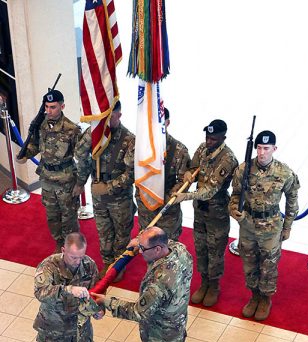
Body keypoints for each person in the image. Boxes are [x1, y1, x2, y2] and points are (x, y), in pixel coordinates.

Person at [229, 130, 300, 320]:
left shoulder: (284, 172)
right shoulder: (243, 169)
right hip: (248, 224)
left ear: (274, 149)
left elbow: (292, 199)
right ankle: (254, 296)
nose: (261, 153)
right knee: (249, 262)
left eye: (266, 148)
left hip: (271, 227)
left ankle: (266, 298)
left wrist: (288, 226)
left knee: (269, 264)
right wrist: (234, 209)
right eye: (259, 148)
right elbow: (235, 195)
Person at [173, 119, 238, 306]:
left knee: (215, 250)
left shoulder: (227, 158)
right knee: (200, 247)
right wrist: (188, 174)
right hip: (200, 211)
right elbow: (193, 168)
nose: (209, 141)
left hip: (216, 212)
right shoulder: (202, 149)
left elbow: (210, 190)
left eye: (213, 139)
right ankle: (204, 282)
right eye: (207, 137)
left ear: (222, 138)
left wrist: (185, 196)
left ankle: (214, 285)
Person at [73, 101, 135, 280]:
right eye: (103, 118)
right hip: (99, 196)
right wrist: (81, 182)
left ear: (119, 115)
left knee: (121, 232)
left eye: (110, 117)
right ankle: (108, 261)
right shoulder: (95, 135)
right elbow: (81, 156)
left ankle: (118, 265)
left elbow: (132, 174)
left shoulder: (129, 140)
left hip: (119, 198)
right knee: (104, 231)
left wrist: (109, 187)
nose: (106, 122)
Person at [17, 90, 81, 252]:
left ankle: (72, 245)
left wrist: (80, 182)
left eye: (53, 107)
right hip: (46, 178)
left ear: (62, 106)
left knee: (69, 216)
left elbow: (83, 158)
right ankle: (59, 243)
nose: (49, 111)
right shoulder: (41, 124)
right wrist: (26, 154)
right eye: (46, 107)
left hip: (66, 180)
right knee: (52, 215)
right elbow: (35, 145)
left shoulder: (71, 129)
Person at [136, 107, 191, 240]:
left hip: (167, 210)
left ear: (167, 123)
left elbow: (184, 181)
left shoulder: (179, 150)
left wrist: (168, 197)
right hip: (146, 206)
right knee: (148, 245)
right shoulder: (140, 146)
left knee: (168, 247)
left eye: (160, 122)